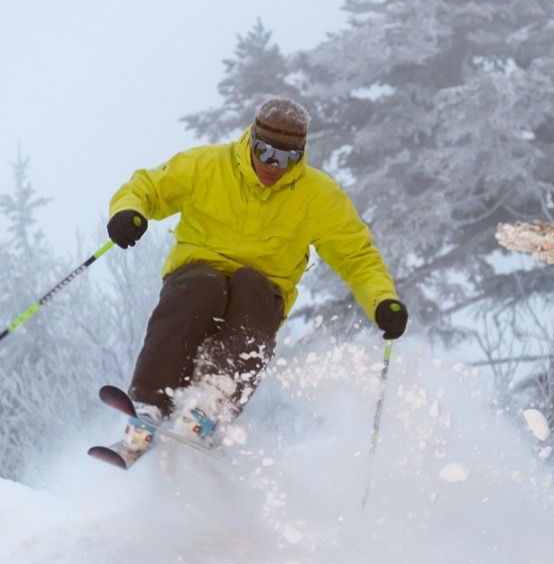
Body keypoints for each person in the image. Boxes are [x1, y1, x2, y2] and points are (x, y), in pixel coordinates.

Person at [104, 97, 407, 461]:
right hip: (197, 275)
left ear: (301, 155)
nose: (273, 166)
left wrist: (381, 301)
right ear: (252, 140)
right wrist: (129, 212)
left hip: (261, 293)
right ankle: (149, 405)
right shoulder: (206, 166)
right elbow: (147, 187)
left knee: (252, 284)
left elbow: (357, 256)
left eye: (286, 159)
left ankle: (213, 405)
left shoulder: (318, 196)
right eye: (265, 153)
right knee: (204, 284)